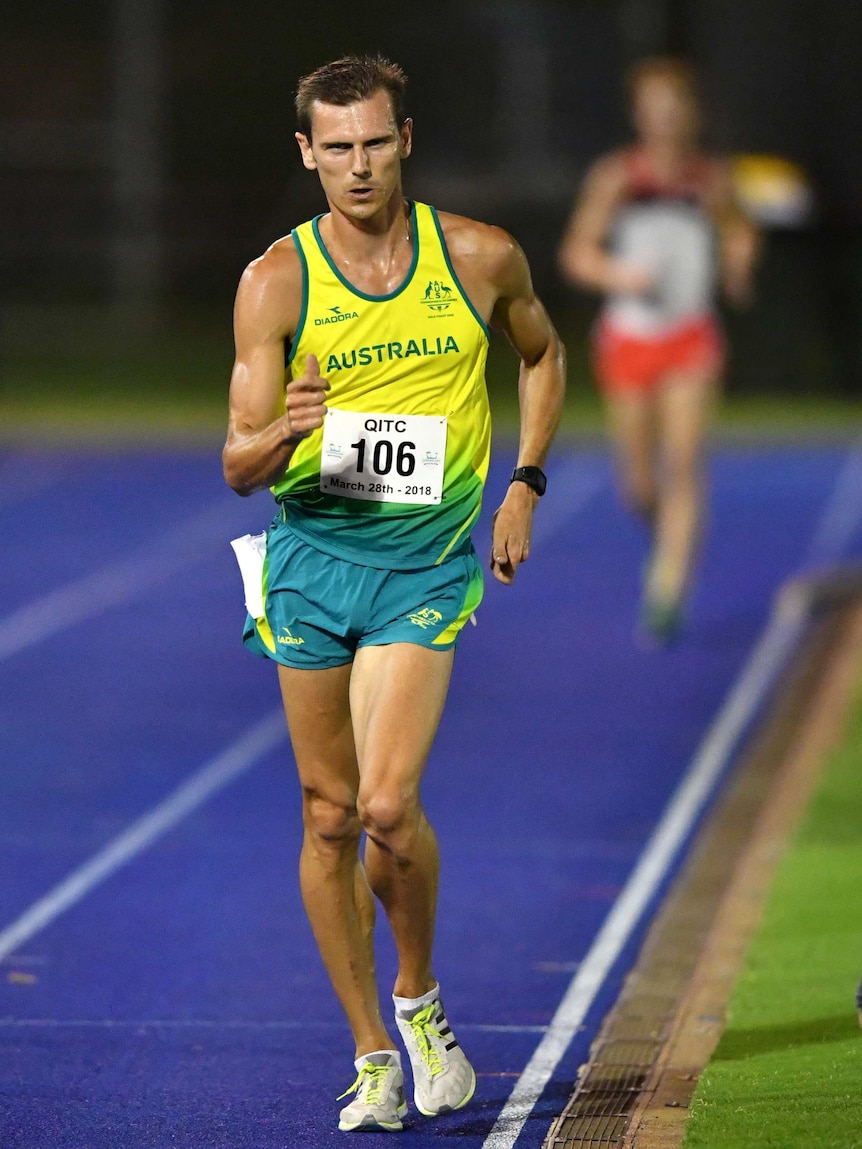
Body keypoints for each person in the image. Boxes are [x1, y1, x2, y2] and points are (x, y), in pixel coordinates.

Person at [222, 55, 565, 1133]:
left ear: (403, 139)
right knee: (327, 818)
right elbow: (237, 464)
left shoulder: (478, 256)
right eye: (337, 148)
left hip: (423, 568)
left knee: (382, 805)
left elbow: (544, 357)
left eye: (375, 143)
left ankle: (419, 1000)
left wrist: (523, 484)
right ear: (307, 154)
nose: (358, 166)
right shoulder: (275, 282)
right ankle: (372, 1049)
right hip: (311, 564)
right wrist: (287, 428)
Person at [558, 57, 758, 641]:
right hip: (629, 338)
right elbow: (577, 253)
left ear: (691, 115)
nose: (666, 121)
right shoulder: (618, 178)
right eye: (655, 110)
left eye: (675, 109)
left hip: (691, 335)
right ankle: (667, 533)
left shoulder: (710, 179)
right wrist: (619, 276)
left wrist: (739, 261)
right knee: (638, 486)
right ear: (640, 116)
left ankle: (668, 586)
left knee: (685, 462)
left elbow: (738, 228)